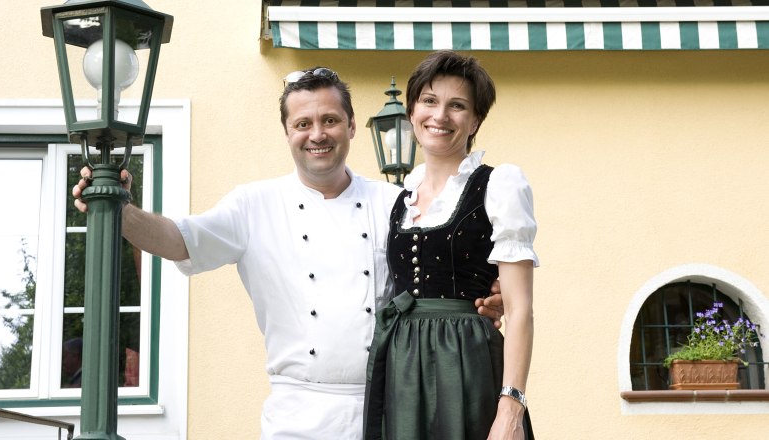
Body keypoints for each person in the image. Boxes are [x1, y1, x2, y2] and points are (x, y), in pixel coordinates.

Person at [73, 67, 506, 439]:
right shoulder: (252, 205)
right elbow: (178, 238)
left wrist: (488, 294)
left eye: (330, 120)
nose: (317, 134)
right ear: (287, 133)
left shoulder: (395, 202)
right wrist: (119, 209)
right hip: (296, 412)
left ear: (352, 126)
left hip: (387, 405)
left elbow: (440, 268)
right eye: (303, 124)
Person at [363, 50, 538, 440]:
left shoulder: (499, 186)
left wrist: (511, 408)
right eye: (429, 101)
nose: (440, 116)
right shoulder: (398, 199)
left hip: (467, 361)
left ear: (475, 120)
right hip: (404, 366)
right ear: (411, 112)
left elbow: (520, 309)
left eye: (456, 106)